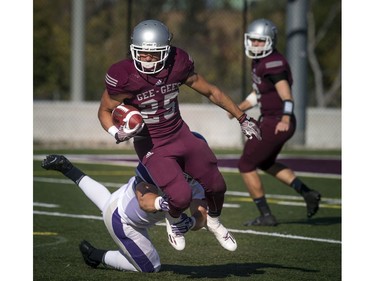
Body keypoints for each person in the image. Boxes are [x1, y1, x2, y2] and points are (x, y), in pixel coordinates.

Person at [97, 19, 261, 247]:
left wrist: (242, 118)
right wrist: (116, 133)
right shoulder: (123, 75)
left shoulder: (177, 63)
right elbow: (104, 110)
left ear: (166, 52)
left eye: (154, 55)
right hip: (151, 143)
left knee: (217, 185)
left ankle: (213, 221)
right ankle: (173, 221)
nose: (147, 59)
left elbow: (212, 92)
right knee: (180, 196)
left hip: (179, 133)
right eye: (142, 53)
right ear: (134, 50)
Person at [41, 154, 237, 273]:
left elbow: (201, 214)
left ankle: (68, 169)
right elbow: (145, 202)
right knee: (151, 267)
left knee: (106, 202)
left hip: (122, 204)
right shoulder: (156, 164)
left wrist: (190, 223)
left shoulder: (196, 178)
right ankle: (96, 256)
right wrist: (168, 204)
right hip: (123, 219)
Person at [228, 18, 321, 226]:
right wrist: (239, 107)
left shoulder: (273, 63)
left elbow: (287, 97)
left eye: (260, 41)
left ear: (270, 41)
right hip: (271, 119)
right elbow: (259, 92)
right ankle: (307, 193)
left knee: (245, 164)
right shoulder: (260, 61)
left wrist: (285, 118)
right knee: (265, 162)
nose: (255, 44)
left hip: (277, 121)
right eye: (252, 40)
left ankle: (266, 215)